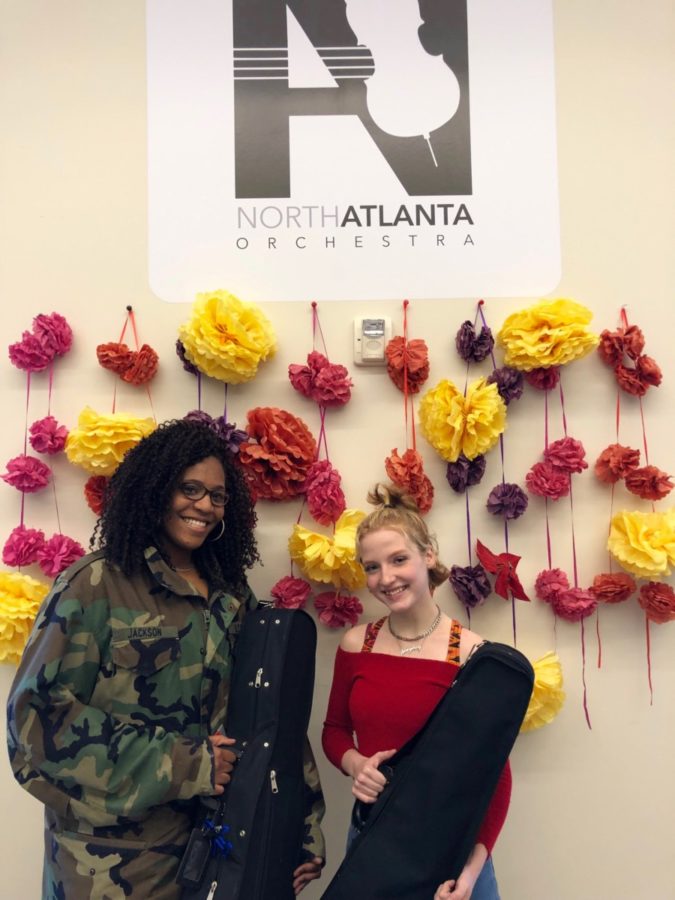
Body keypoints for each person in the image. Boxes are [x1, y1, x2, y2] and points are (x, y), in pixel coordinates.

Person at [7, 419, 325, 899]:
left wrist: (303, 823)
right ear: (155, 489)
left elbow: (269, 715)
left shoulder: (232, 596)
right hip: (109, 867)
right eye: (189, 488)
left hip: (216, 852)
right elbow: (37, 723)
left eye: (217, 497)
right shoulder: (96, 586)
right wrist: (190, 765)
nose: (204, 506)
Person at [322, 483, 511, 900]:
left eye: (398, 560)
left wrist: (470, 871)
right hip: (374, 839)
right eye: (372, 567)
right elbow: (334, 730)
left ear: (428, 556)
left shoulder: (472, 655)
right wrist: (357, 766)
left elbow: (496, 776)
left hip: (452, 857)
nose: (385, 578)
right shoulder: (356, 645)